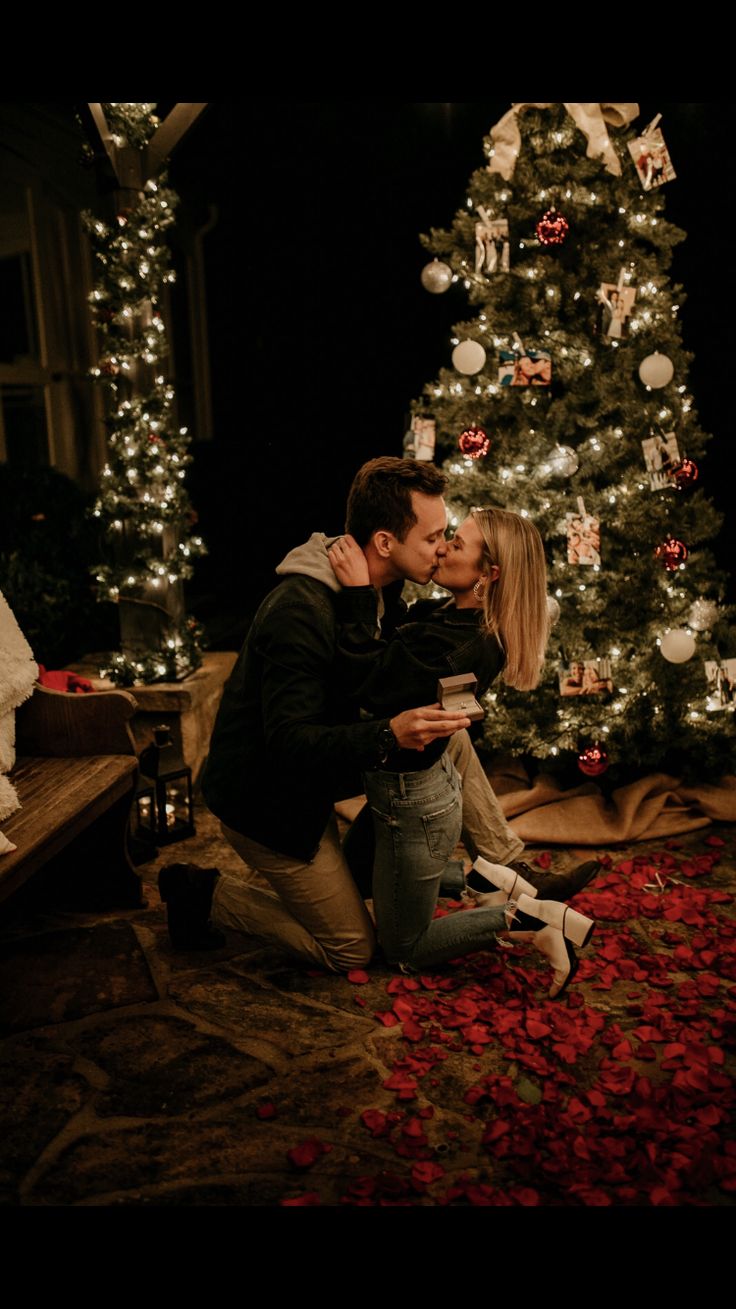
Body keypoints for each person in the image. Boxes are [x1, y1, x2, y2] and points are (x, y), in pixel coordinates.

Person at [328, 509, 594, 998]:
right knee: (349, 881)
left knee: (403, 948)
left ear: (488, 575)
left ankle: (535, 919)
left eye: (457, 543)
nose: (443, 546)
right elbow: (402, 640)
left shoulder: (458, 644)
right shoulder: (455, 615)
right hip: (407, 795)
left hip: (414, 810)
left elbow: (365, 681)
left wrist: (358, 597)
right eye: (447, 535)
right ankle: (496, 879)